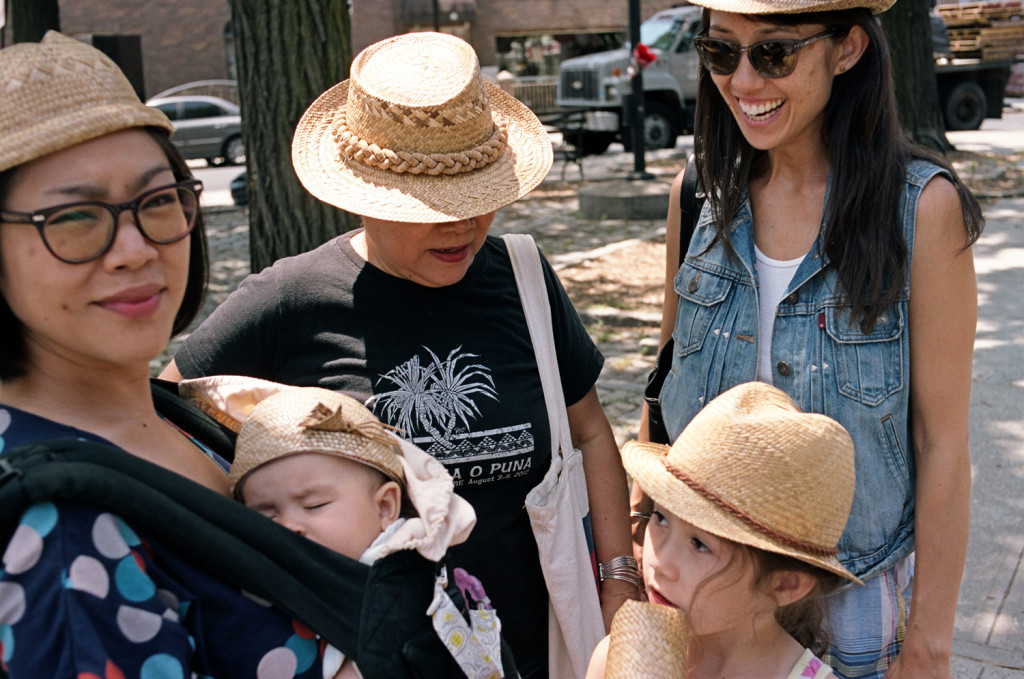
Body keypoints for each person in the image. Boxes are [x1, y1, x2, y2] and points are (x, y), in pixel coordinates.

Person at [161, 31, 638, 678]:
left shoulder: (524, 277)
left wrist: (618, 579)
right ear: (364, 193)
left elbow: (589, 431)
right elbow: (162, 418)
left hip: (533, 650)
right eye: (432, 205)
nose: (462, 225)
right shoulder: (287, 299)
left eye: (477, 198)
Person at [633, 0, 983, 677]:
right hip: (706, 598)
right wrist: (636, 555)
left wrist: (931, 642)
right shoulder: (700, 194)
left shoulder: (921, 212)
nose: (742, 82)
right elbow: (664, 384)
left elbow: (942, 445)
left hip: (855, 601)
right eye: (721, 52)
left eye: (773, 53)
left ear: (847, 48)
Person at [0, 32, 334, 677]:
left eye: (157, 201)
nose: (134, 249)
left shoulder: (174, 413)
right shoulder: (57, 525)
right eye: (74, 216)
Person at [178, 376, 498, 679]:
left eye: (314, 505)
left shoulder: (410, 583)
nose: (289, 525)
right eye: (266, 514)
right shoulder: (259, 584)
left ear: (385, 507)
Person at [592, 382, 862, 679]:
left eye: (700, 544)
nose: (661, 562)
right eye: (661, 517)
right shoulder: (616, 658)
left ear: (785, 584)